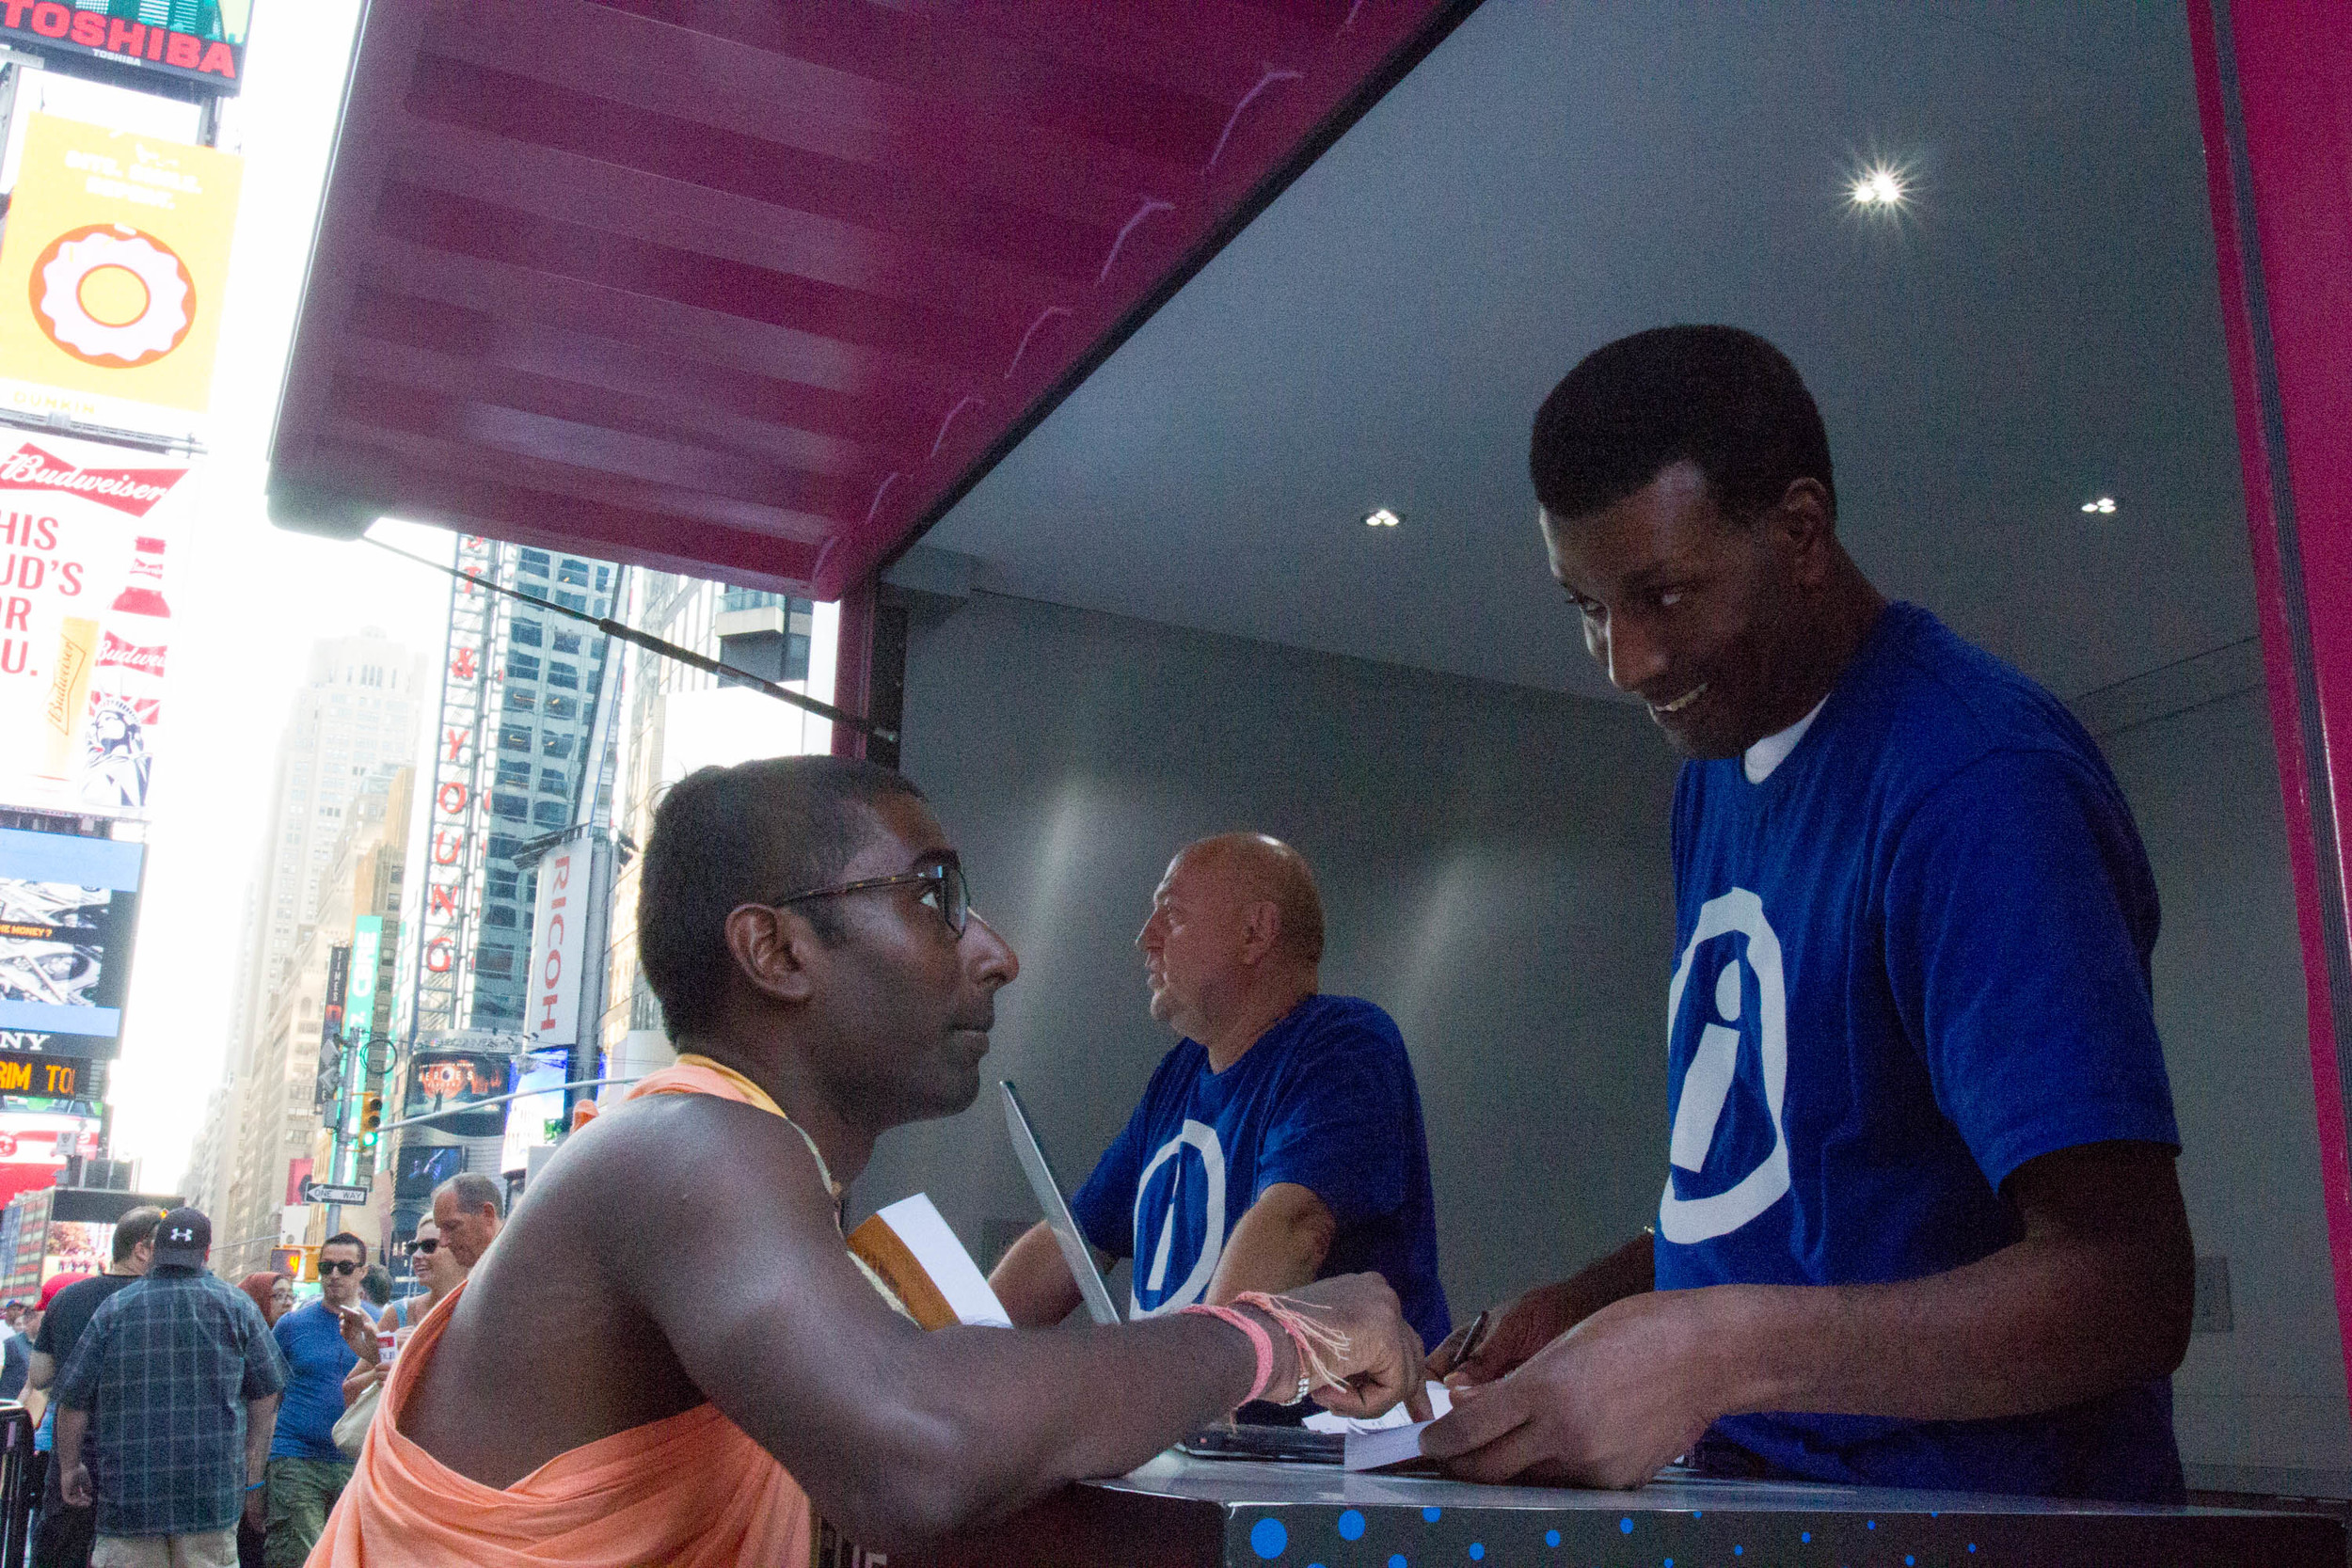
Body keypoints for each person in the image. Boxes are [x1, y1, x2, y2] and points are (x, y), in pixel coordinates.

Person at [1421, 325, 2191, 1502]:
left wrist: (1718, 1352)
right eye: (1585, 605)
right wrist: (1584, 1308)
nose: (1622, 659)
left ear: (1799, 531)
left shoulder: (1975, 783)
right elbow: (1797, 1204)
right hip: (1766, 1501)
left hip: (1985, 1521)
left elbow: (2128, 1285)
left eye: (1662, 594)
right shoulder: (1714, 772)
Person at [310, 755, 1423, 1567]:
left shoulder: (746, 1172)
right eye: (936, 895)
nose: (998, 952)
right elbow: (922, 1447)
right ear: (776, 950)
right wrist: (1281, 1332)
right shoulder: (687, 1146)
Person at [990, 832, 1452, 1372]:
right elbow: (1073, 1242)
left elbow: (1295, 1225)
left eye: (1172, 915)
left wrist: (1196, 1386)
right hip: (1203, 1441)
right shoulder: (1180, 1073)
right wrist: (957, 1349)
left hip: (1326, 1447)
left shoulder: (1344, 1043)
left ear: (1255, 934)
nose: (1145, 938)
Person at [52, 1207, 286, 1568]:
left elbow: (73, 1400)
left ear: (155, 1250)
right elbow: (267, 1393)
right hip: (210, 1497)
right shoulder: (237, 1306)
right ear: (206, 1253)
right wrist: (251, 1468)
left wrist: (70, 1467)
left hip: (129, 1500)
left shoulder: (115, 1308)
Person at [31, 1208, 163, 1568]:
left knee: (62, 1548)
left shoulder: (68, 1298)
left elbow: (40, 1374)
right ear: (142, 1249)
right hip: (137, 1457)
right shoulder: (159, 1303)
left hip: (72, 1452)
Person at [262, 1235, 366, 1567]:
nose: (334, 1274)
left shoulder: (381, 1323)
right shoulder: (291, 1325)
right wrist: (255, 1475)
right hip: (295, 1458)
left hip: (357, 1463)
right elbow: (266, 1400)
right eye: (326, 1266)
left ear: (362, 1272)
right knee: (298, 1559)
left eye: (345, 1267)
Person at [339, 1220, 465, 1414]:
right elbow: (350, 1391)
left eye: (429, 1246)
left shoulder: (482, 1309)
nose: (417, 1255)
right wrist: (386, 1360)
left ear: (457, 1249)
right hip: (398, 1438)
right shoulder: (401, 1313)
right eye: (414, 1247)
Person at [426, 1174, 502, 1269]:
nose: (443, 1242)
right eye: (440, 1230)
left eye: (452, 1227)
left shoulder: (518, 1268)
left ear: (487, 1214)